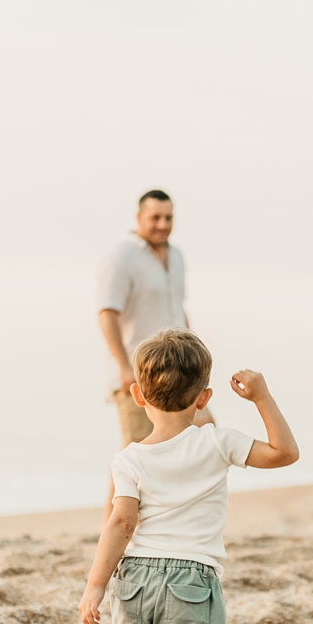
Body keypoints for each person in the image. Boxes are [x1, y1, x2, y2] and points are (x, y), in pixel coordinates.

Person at [78, 329, 299, 624]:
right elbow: (285, 453)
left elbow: (120, 525)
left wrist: (95, 586)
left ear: (138, 395)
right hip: (193, 578)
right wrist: (262, 397)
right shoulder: (217, 442)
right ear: (204, 398)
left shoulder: (129, 459)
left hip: (135, 578)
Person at [96, 189, 212, 449]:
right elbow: (107, 313)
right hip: (141, 373)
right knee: (138, 451)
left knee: (203, 431)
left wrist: (197, 360)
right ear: (139, 217)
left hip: (181, 369)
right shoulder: (121, 258)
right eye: (155, 217)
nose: (163, 225)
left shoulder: (177, 256)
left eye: (169, 218)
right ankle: (118, 493)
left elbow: (179, 311)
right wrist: (125, 368)